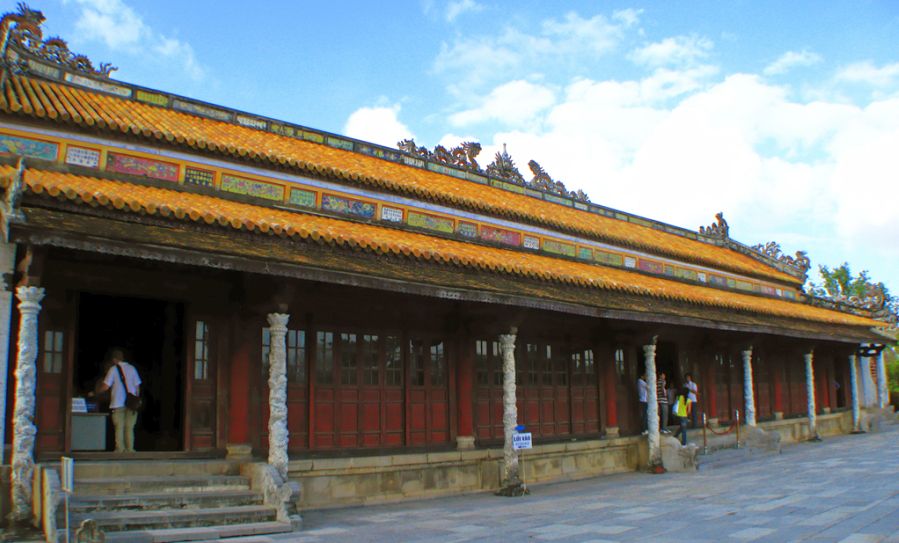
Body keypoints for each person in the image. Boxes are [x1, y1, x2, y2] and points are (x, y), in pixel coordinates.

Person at [95, 348, 141, 453]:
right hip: (132, 404)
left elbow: (106, 386)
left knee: (119, 427)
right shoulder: (132, 369)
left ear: (114, 359)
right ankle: (130, 449)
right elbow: (138, 387)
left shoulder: (113, 369)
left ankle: (120, 449)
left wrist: (97, 391)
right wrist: (135, 399)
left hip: (118, 402)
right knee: (129, 427)